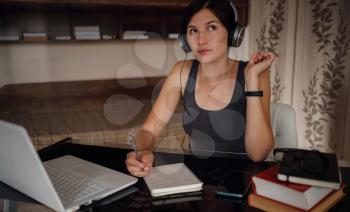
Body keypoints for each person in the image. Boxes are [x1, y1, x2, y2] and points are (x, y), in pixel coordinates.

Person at [125, 0, 275, 177]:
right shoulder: (181, 71)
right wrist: (143, 151)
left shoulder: (256, 73)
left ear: (232, 34)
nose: (201, 40)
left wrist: (251, 80)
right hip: (195, 179)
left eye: (212, 27)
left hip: (243, 179)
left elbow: (258, 155)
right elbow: (149, 130)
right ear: (184, 40)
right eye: (193, 31)